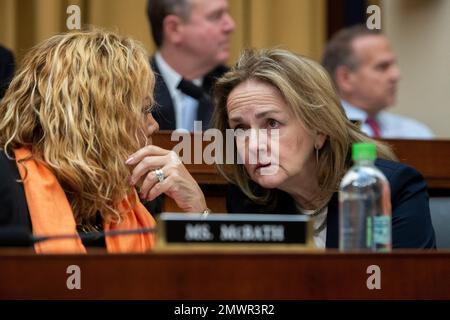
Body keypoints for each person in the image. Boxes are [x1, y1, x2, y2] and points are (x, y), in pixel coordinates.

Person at [0, 29, 208, 253]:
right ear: (98, 118)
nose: (154, 125)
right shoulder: (9, 187)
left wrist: (198, 212)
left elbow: (190, 284)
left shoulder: (140, 193)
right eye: (144, 109)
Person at [212, 48, 436, 249]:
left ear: (319, 130)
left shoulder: (388, 188)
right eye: (240, 129)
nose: (253, 145)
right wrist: (200, 214)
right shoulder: (248, 197)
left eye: (272, 123)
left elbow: (401, 288)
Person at [322, 25, 434, 139]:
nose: (396, 75)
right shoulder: (323, 133)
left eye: (393, 65)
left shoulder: (416, 133)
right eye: (382, 67)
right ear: (345, 78)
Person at [146, 0, 235, 131]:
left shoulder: (234, 88)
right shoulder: (131, 88)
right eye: (216, 16)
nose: (230, 26)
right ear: (174, 28)